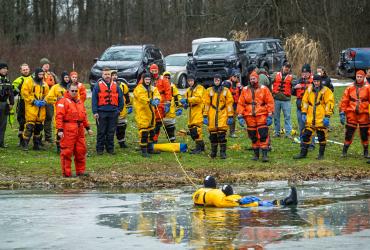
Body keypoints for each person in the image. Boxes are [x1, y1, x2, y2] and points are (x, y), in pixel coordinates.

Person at [293, 74, 334, 160]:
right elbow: (304, 101)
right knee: (306, 135)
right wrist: (303, 113)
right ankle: (303, 154)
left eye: (317, 81)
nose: (316, 83)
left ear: (320, 82)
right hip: (310, 118)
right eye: (314, 81)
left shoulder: (326, 91)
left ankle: (321, 154)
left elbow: (329, 103)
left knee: (321, 136)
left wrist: (327, 116)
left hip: (321, 118)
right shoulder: (309, 89)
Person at [56, 84, 93, 177]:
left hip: (79, 128)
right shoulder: (63, 101)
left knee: (81, 150)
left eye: (76, 91)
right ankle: (66, 173)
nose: (74, 92)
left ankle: (80, 171)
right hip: (68, 128)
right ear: (68, 91)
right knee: (67, 152)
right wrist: (60, 130)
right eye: (72, 91)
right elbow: (59, 116)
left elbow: (83, 115)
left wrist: (88, 127)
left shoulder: (79, 101)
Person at [192, 176, 298, 208]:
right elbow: (230, 200)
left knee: (252, 201)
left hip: (212, 207)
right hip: (227, 205)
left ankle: (283, 202)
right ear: (214, 185)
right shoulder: (215, 193)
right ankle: (285, 202)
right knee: (253, 202)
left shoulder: (197, 193)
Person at [237, 71, 274, 162]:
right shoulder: (245, 90)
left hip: (261, 115)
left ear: (257, 79)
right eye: (251, 79)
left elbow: (270, 102)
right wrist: (240, 115)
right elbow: (241, 103)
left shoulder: (264, 89)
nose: (252, 80)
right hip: (249, 116)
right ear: (249, 80)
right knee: (253, 136)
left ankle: (264, 155)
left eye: (254, 78)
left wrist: (270, 114)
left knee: (263, 134)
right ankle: (256, 155)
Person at [92, 68, 124, 155]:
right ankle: (100, 149)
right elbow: (94, 99)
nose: (107, 76)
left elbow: (121, 99)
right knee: (101, 132)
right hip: (101, 112)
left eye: (108, 74)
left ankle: (110, 148)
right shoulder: (97, 85)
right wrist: (95, 112)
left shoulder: (116, 86)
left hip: (113, 112)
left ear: (111, 75)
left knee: (111, 131)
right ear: (102, 75)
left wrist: (119, 110)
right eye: (105, 74)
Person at [339, 70, 370, 158]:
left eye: (360, 77)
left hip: (364, 114)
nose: (359, 78)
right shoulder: (350, 88)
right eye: (357, 76)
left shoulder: (368, 88)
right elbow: (344, 100)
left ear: (364, 77)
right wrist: (342, 112)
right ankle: (344, 151)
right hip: (351, 113)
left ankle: (366, 152)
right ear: (355, 77)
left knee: (364, 133)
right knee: (349, 132)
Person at [203, 74, 233, 159]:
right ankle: (213, 152)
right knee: (213, 135)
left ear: (221, 80)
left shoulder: (226, 91)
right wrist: (205, 115)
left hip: (222, 114)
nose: (216, 81)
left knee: (222, 135)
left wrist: (230, 115)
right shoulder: (209, 90)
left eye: (218, 80)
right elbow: (207, 104)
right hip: (212, 114)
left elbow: (229, 104)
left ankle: (223, 153)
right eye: (215, 80)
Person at [21, 67, 49, 150]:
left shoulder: (44, 84)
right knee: (29, 126)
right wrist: (33, 101)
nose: (41, 76)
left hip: (41, 109)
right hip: (31, 107)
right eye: (39, 74)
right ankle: (25, 143)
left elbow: (48, 95)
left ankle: (36, 145)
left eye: (42, 75)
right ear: (36, 74)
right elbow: (24, 93)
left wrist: (45, 101)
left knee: (39, 127)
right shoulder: (28, 82)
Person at [133, 72, 161, 157]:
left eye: (149, 79)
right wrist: (150, 100)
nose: (148, 81)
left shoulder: (152, 88)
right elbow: (141, 97)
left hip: (151, 114)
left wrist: (156, 99)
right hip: (142, 113)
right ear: (143, 80)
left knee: (151, 132)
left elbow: (157, 94)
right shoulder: (138, 88)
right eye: (146, 79)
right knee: (144, 132)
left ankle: (150, 149)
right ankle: (144, 151)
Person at [45, 71, 70, 153]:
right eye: (65, 77)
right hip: (59, 110)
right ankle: (59, 146)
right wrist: (57, 100)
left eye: (68, 77)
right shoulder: (56, 87)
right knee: (59, 127)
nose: (67, 79)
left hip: (69, 111)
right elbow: (48, 98)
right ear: (62, 78)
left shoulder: (71, 87)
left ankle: (67, 145)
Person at [180, 74, 205, 154]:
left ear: (194, 81)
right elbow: (185, 99)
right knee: (191, 129)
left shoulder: (199, 88)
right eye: (189, 81)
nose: (190, 82)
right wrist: (184, 104)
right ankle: (201, 146)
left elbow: (198, 99)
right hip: (191, 111)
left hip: (198, 109)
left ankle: (199, 148)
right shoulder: (188, 90)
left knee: (196, 129)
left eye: (191, 81)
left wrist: (187, 100)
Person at [271, 62, 294, 138]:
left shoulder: (292, 77)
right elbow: (268, 81)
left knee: (287, 117)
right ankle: (277, 132)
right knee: (276, 117)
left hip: (286, 100)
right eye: (285, 66)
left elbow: (297, 85)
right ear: (282, 67)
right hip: (276, 100)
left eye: (288, 67)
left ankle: (288, 133)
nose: (287, 68)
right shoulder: (275, 75)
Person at [150, 64, 172, 143]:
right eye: (152, 71)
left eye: (155, 71)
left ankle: (154, 139)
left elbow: (168, 91)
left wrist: (168, 102)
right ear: (150, 71)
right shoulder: (146, 78)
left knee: (158, 122)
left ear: (158, 71)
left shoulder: (163, 79)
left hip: (160, 103)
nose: (154, 72)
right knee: (149, 122)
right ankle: (148, 140)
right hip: (149, 102)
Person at [12, 63, 32, 146]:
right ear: (20, 71)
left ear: (29, 69)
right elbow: (12, 93)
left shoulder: (33, 78)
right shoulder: (18, 80)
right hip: (22, 102)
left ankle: (31, 139)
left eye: (26, 69)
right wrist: (17, 89)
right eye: (24, 70)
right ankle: (21, 140)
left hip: (31, 102)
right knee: (21, 121)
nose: (25, 71)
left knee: (31, 121)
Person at [111, 71, 132, 148]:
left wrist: (129, 105)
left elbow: (127, 96)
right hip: (112, 109)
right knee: (111, 128)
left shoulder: (123, 85)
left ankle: (121, 142)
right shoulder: (108, 86)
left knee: (122, 127)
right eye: (112, 75)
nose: (114, 77)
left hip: (122, 109)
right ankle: (110, 143)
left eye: (115, 75)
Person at [292, 64, 313, 138]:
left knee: (310, 125)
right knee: (301, 124)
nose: (305, 74)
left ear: (310, 73)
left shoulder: (314, 81)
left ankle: (311, 143)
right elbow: (293, 93)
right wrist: (294, 88)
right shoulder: (298, 80)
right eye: (303, 73)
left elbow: (315, 89)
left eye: (306, 73)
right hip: (299, 106)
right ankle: (302, 139)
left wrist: (303, 86)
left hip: (309, 107)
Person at [40, 58, 58, 143]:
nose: (47, 65)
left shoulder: (52, 74)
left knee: (49, 117)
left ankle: (48, 136)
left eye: (48, 64)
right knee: (39, 118)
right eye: (45, 64)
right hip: (40, 99)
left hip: (50, 100)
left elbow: (58, 84)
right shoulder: (38, 74)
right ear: (42, 65)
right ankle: (38, 136)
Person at [162, 72, 183, 142]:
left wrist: (179, 107)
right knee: (157, 127)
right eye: (166, 78)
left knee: (170, 127)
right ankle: (153, 142)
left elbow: (177, 97)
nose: (167, 79)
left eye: (168, 78)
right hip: (160, 110)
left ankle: (171, 140)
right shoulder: (159, 85)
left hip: (170, 111)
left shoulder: (172, 87)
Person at [222, 69, 242, 138]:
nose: (236, 78)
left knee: (233, 119)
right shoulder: (227, 83)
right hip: (227, 104)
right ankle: (223, 131)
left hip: (235, 104)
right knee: (225, 118)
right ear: (231, 76)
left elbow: (240, 94)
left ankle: (232, 132)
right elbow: (223, 94)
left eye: (237, 77)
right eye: (234, 76)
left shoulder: (238, 84)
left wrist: (240, 88)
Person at [0, 63, 14, 148]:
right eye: (3, 68)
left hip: (4, 104)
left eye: (6, 68)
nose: (5, 70)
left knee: (3, 124)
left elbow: (11, 93)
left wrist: (12, 103)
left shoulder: (7, 80)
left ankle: (1, 142)